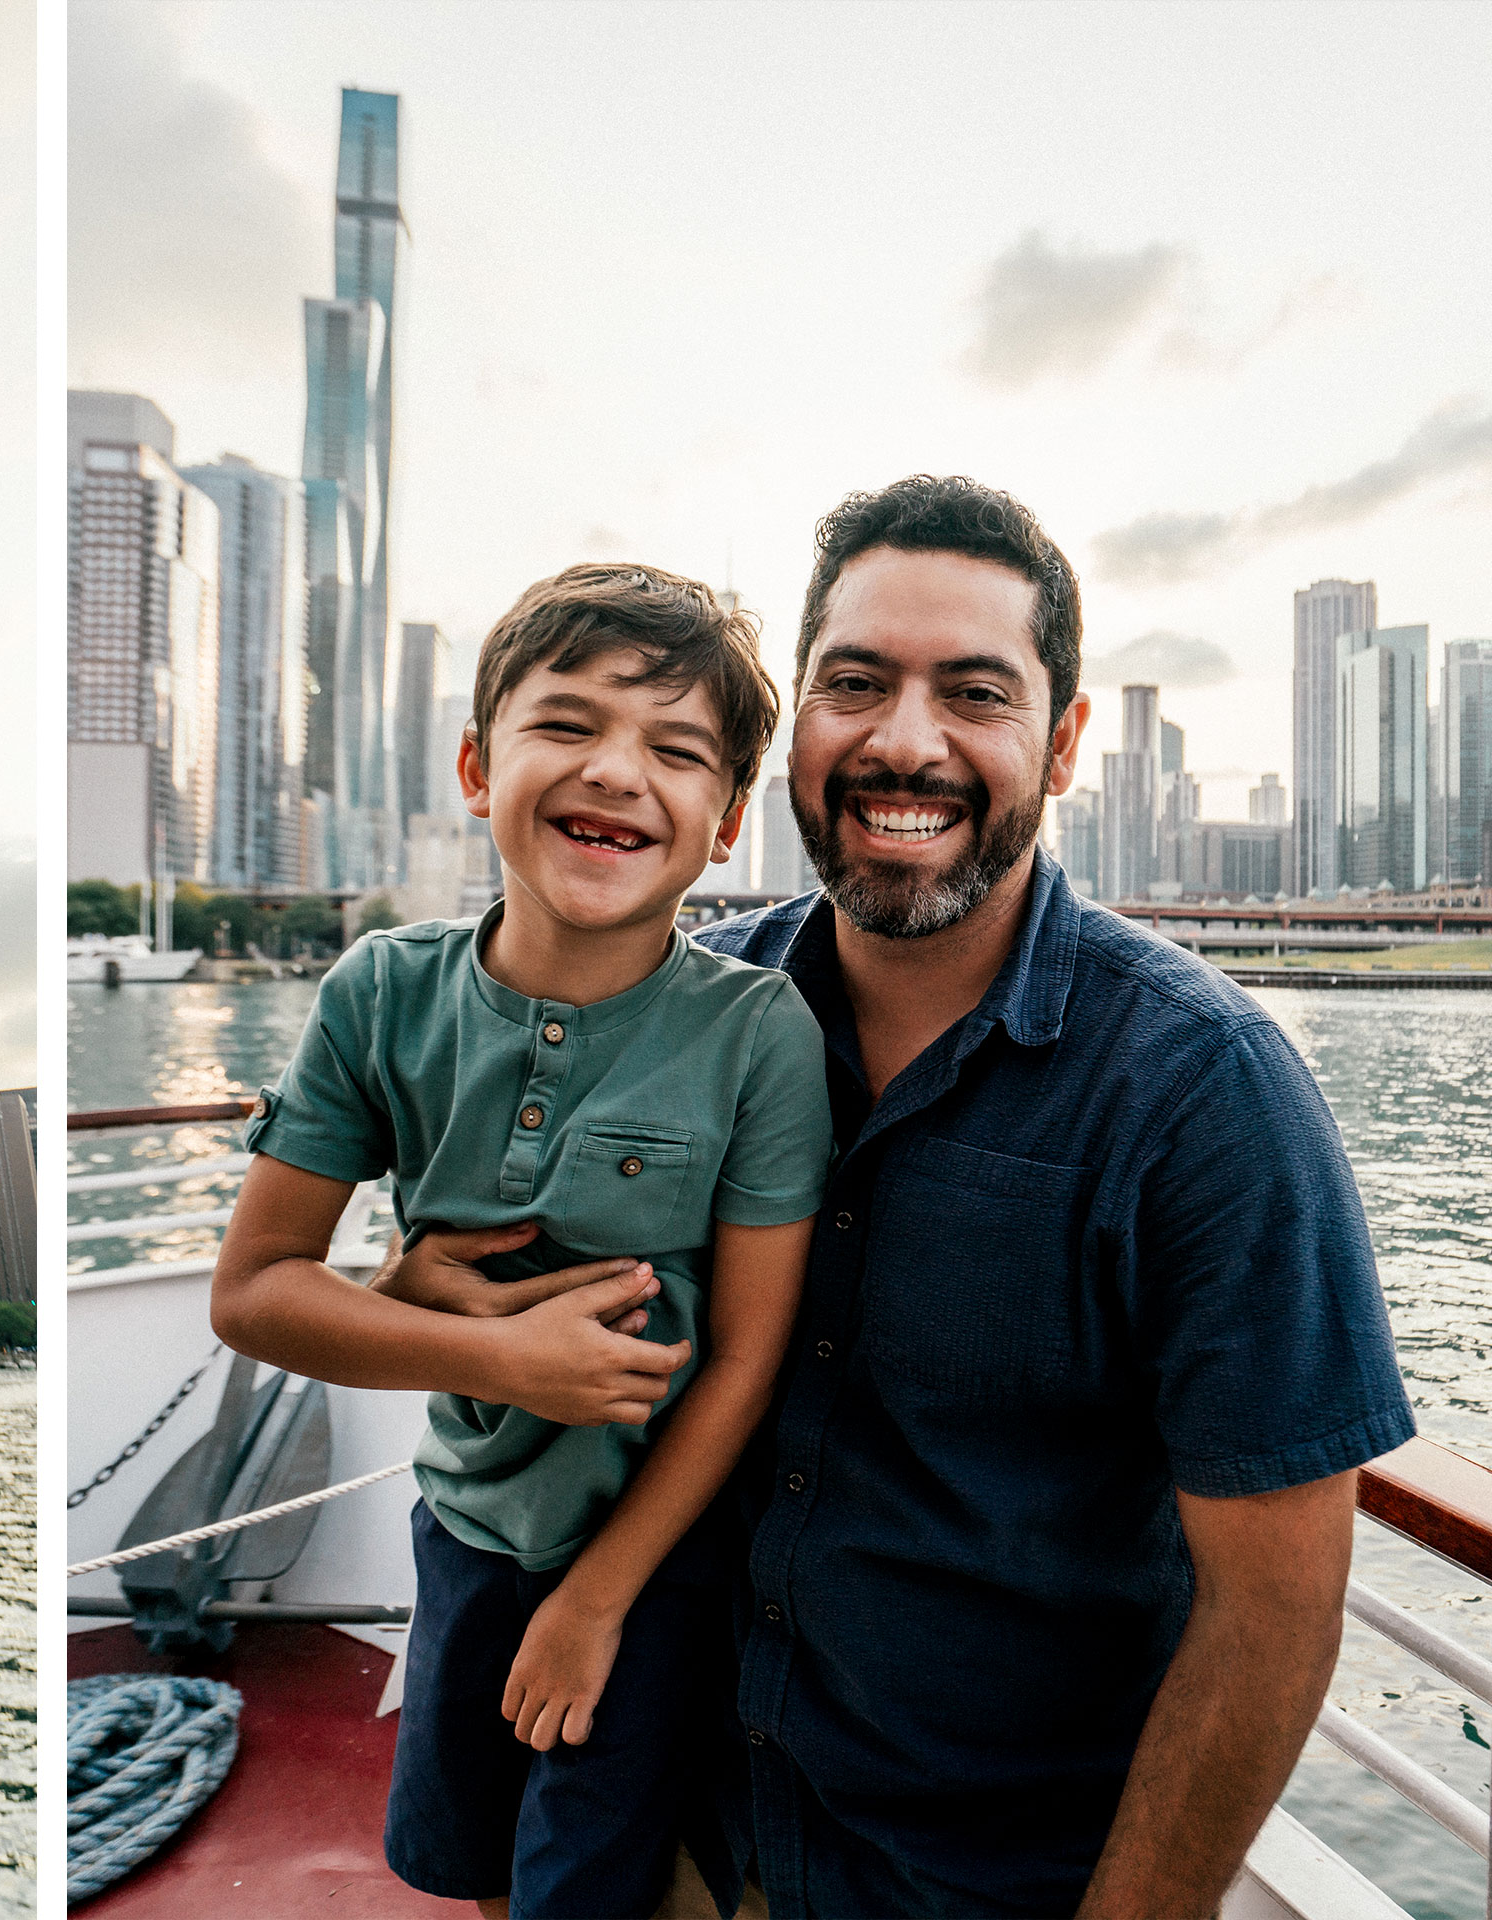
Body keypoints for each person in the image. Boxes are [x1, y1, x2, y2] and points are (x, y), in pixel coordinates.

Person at [381, 477, 1412, 1917]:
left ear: (1060, 745)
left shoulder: (1202, 1093)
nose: (904, 742)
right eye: (855, 684)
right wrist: (421, 1294)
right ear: (795, 724)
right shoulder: (689, 1006)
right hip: (675, 1832)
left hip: (978, 1889)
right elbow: (487, 1239)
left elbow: (1274, 1608)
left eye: (975, 693)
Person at [212, 562, 833, 1919]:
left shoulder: (757, 1035)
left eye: (676, 751)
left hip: (652, 1565)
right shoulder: (382, 993)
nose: (617, 772)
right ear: (477, 767)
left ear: (727, 823)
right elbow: (254, 1292)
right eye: (567, 725)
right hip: (465, 1528)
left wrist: (601, 1598)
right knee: (474, 1867)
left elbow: (745, 1362)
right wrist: (495, 1358)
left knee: (589, 1887)